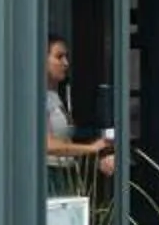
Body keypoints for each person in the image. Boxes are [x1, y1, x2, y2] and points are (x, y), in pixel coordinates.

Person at [43, 33, 115, 178]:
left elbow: (65, 140)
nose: (65, 63)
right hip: (48, 174)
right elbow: (47, 144)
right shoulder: (37, 98)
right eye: (59, 57)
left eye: (66, 57)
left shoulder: (56, 95)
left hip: (64, 172)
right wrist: (91, 148)